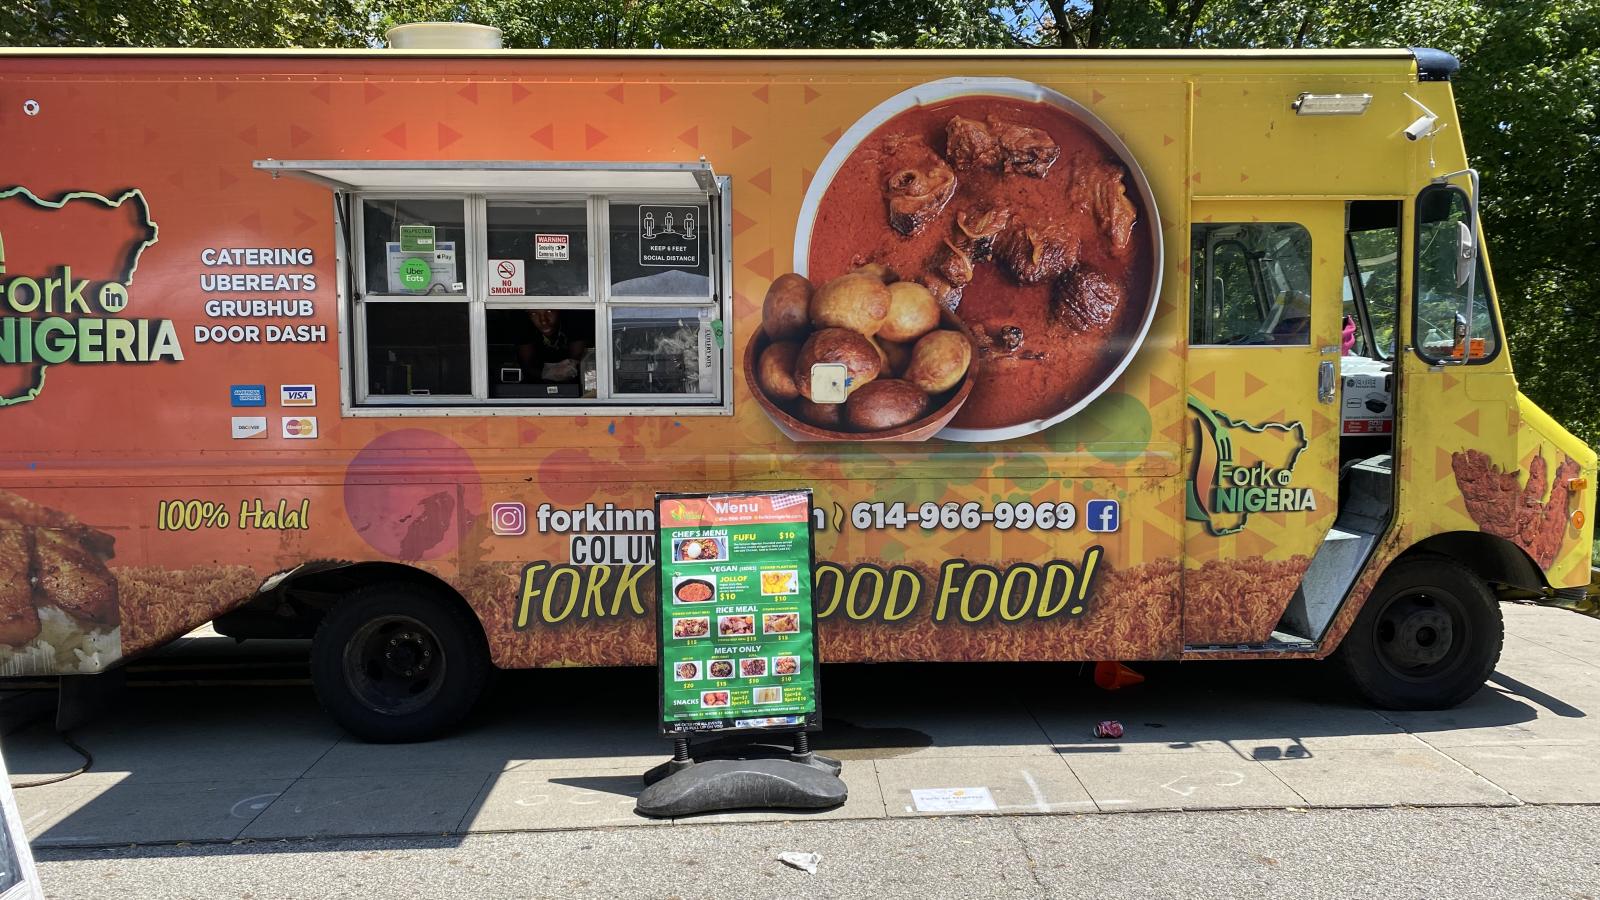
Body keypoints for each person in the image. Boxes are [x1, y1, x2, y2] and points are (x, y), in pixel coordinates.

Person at [517, 309, 588, 382]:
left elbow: (576, 363)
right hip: (535, 386)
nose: (543, 321)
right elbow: (527, 365)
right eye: (534, 313)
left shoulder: (575, 318)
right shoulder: (523, 322)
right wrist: (546, 373)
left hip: (575, 386)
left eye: (549, 311)